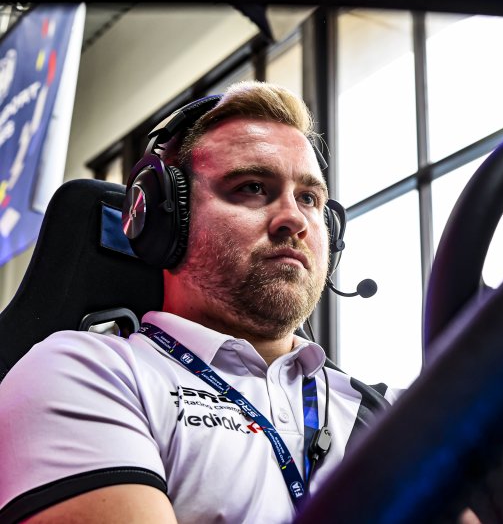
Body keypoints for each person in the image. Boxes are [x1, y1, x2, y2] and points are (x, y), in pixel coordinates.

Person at [0, 81, 395, 523]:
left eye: (308, 198)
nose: (294, 219)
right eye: (252, 187)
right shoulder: (87, 373)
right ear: (165, 218)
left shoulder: (385, 413)